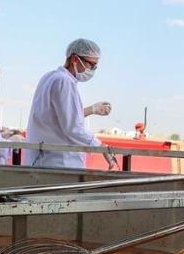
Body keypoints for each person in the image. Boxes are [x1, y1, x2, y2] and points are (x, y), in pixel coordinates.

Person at [23, 38, 117, 170]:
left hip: (45, 160)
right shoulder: (64, 82)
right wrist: (101, 147)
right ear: (74, 59)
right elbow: (72, 127)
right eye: (91, 64)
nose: (92, 70)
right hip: (59, 162)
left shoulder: (50, 77)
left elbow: (58, 117)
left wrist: (92, 109)